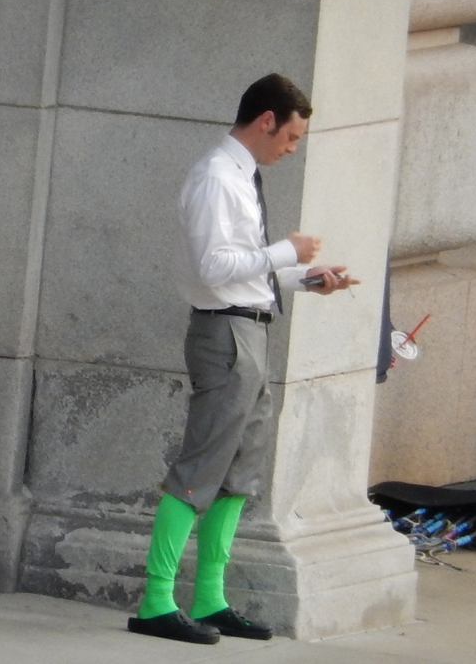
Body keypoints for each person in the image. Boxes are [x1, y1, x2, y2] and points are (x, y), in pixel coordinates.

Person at [128, 73, 359, 645]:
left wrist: (306, 277)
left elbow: (245, 270)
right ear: (266, 120)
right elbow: (213, 269)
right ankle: (156, 601)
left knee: (238, 473)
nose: (293, 148)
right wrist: (286, 251)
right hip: (225, 334)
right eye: (292, 136)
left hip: (247, 330)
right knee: (200, 468)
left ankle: (210, 597)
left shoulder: (238, 174)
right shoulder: (216, 176)